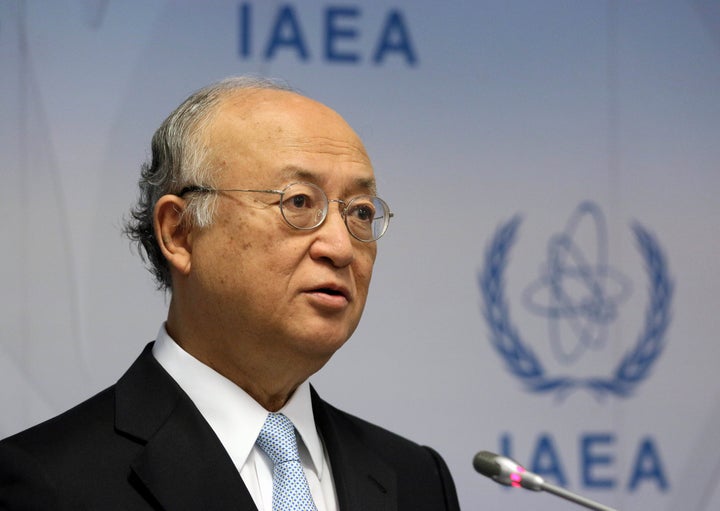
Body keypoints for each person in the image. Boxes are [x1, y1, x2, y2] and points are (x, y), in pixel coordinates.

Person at [0, 76, 459, 510]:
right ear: (178, 233)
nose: (341, 247)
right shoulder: (46, 483)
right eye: (298, 202)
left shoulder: (416, 479)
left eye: (359, 212)